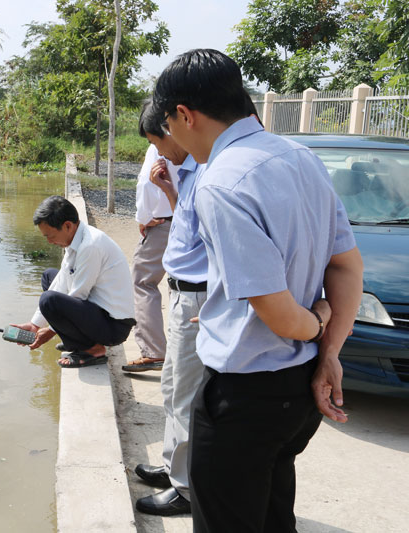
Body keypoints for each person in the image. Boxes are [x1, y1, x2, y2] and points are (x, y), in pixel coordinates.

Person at [153, 49, 363, 532]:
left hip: (245, 398)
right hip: (297, 392)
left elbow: (280, 314)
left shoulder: (220, 184)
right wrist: (328, 351)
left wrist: (317, 325)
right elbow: (347, 266)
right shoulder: (300, 156)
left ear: (184, 115)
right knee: (271, 514)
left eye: (169, 123)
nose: (172, 137)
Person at [132, 103, 206, 516]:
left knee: (187, 395)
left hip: (198, 297)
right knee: (172, 389)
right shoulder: (193, 171)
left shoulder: (212, 169)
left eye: (160, 141)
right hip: (183, 293)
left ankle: (187, 488)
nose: (161, 153)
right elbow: (191, 228)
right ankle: (171, 465)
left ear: (179, 123)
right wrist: (170, 193)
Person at [13, 195, 136, 368]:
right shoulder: (75, 241)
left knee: (49, 300)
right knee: (49, 276)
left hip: (113, 326)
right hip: (98, 313)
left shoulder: (90, 246)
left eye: (50, 236)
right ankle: (78, 341)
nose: (49, 241)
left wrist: (50, 331)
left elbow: (78, 295)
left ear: (68, 226)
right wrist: (35, 325)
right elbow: (61, 281)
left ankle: (94, 349)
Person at [121, 100, 186, 373]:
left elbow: (147, 184)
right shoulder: (198, 147)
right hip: (184, 220)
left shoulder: (158, 146)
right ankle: (180, 350)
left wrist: (143, 218)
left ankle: (154, 350)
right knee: (179, 286)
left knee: (144, 282)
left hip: (161, 223)